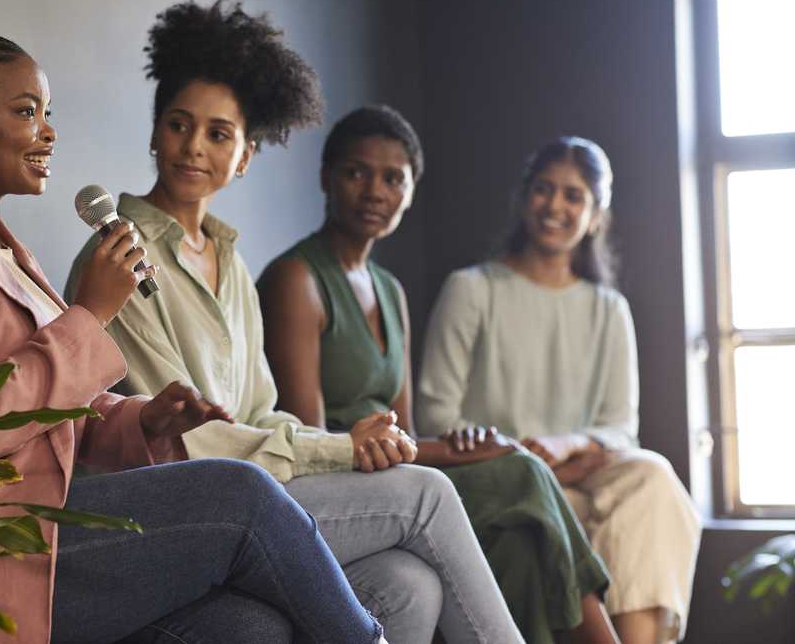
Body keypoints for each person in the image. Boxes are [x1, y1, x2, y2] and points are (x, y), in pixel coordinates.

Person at [0, 29, 389, 643]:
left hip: (31, 532)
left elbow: (43, 407)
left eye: (48, 113)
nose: (48, 132)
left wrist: (143, 422)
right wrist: (90, 315)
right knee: (244, 496)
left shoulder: (2, 248)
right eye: (26, 112)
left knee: (248, 628)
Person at [67, 0, 524, 643]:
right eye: (178, 125)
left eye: (219, 134)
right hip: (181, 511)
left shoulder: (230, 260)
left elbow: (259, 413)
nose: (194, 147)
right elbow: (182, 443)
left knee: (406, 585)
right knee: (426, 495)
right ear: (153, 132)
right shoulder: (118, 255)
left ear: (246, 155)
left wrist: (353, 441)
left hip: (255, 489)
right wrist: (340, 448)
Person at [258, 105, 618, 644]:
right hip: (333, 477)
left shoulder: (389, 289)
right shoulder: (296, 278)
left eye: (393, 178)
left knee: (519, 534)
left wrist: (460, 443)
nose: (375, 191)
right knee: (519, 469)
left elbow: (401, 430)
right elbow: (311, 442)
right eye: (357, 172)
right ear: (326, 177)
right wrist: (456, 452)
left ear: (410, 192)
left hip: (391, 470)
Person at [415, 137, 701, 644]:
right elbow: (438, 415)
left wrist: (567, 445)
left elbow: (620, 427)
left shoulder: (609, 309)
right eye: (545, 189)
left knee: (653, 479)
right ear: (525, 198)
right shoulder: (471, 289)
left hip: (581, 473)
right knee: (622, 514)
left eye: (574, 195)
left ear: (594, 215)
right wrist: (525, 460)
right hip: (501, 483)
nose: (556, 205)